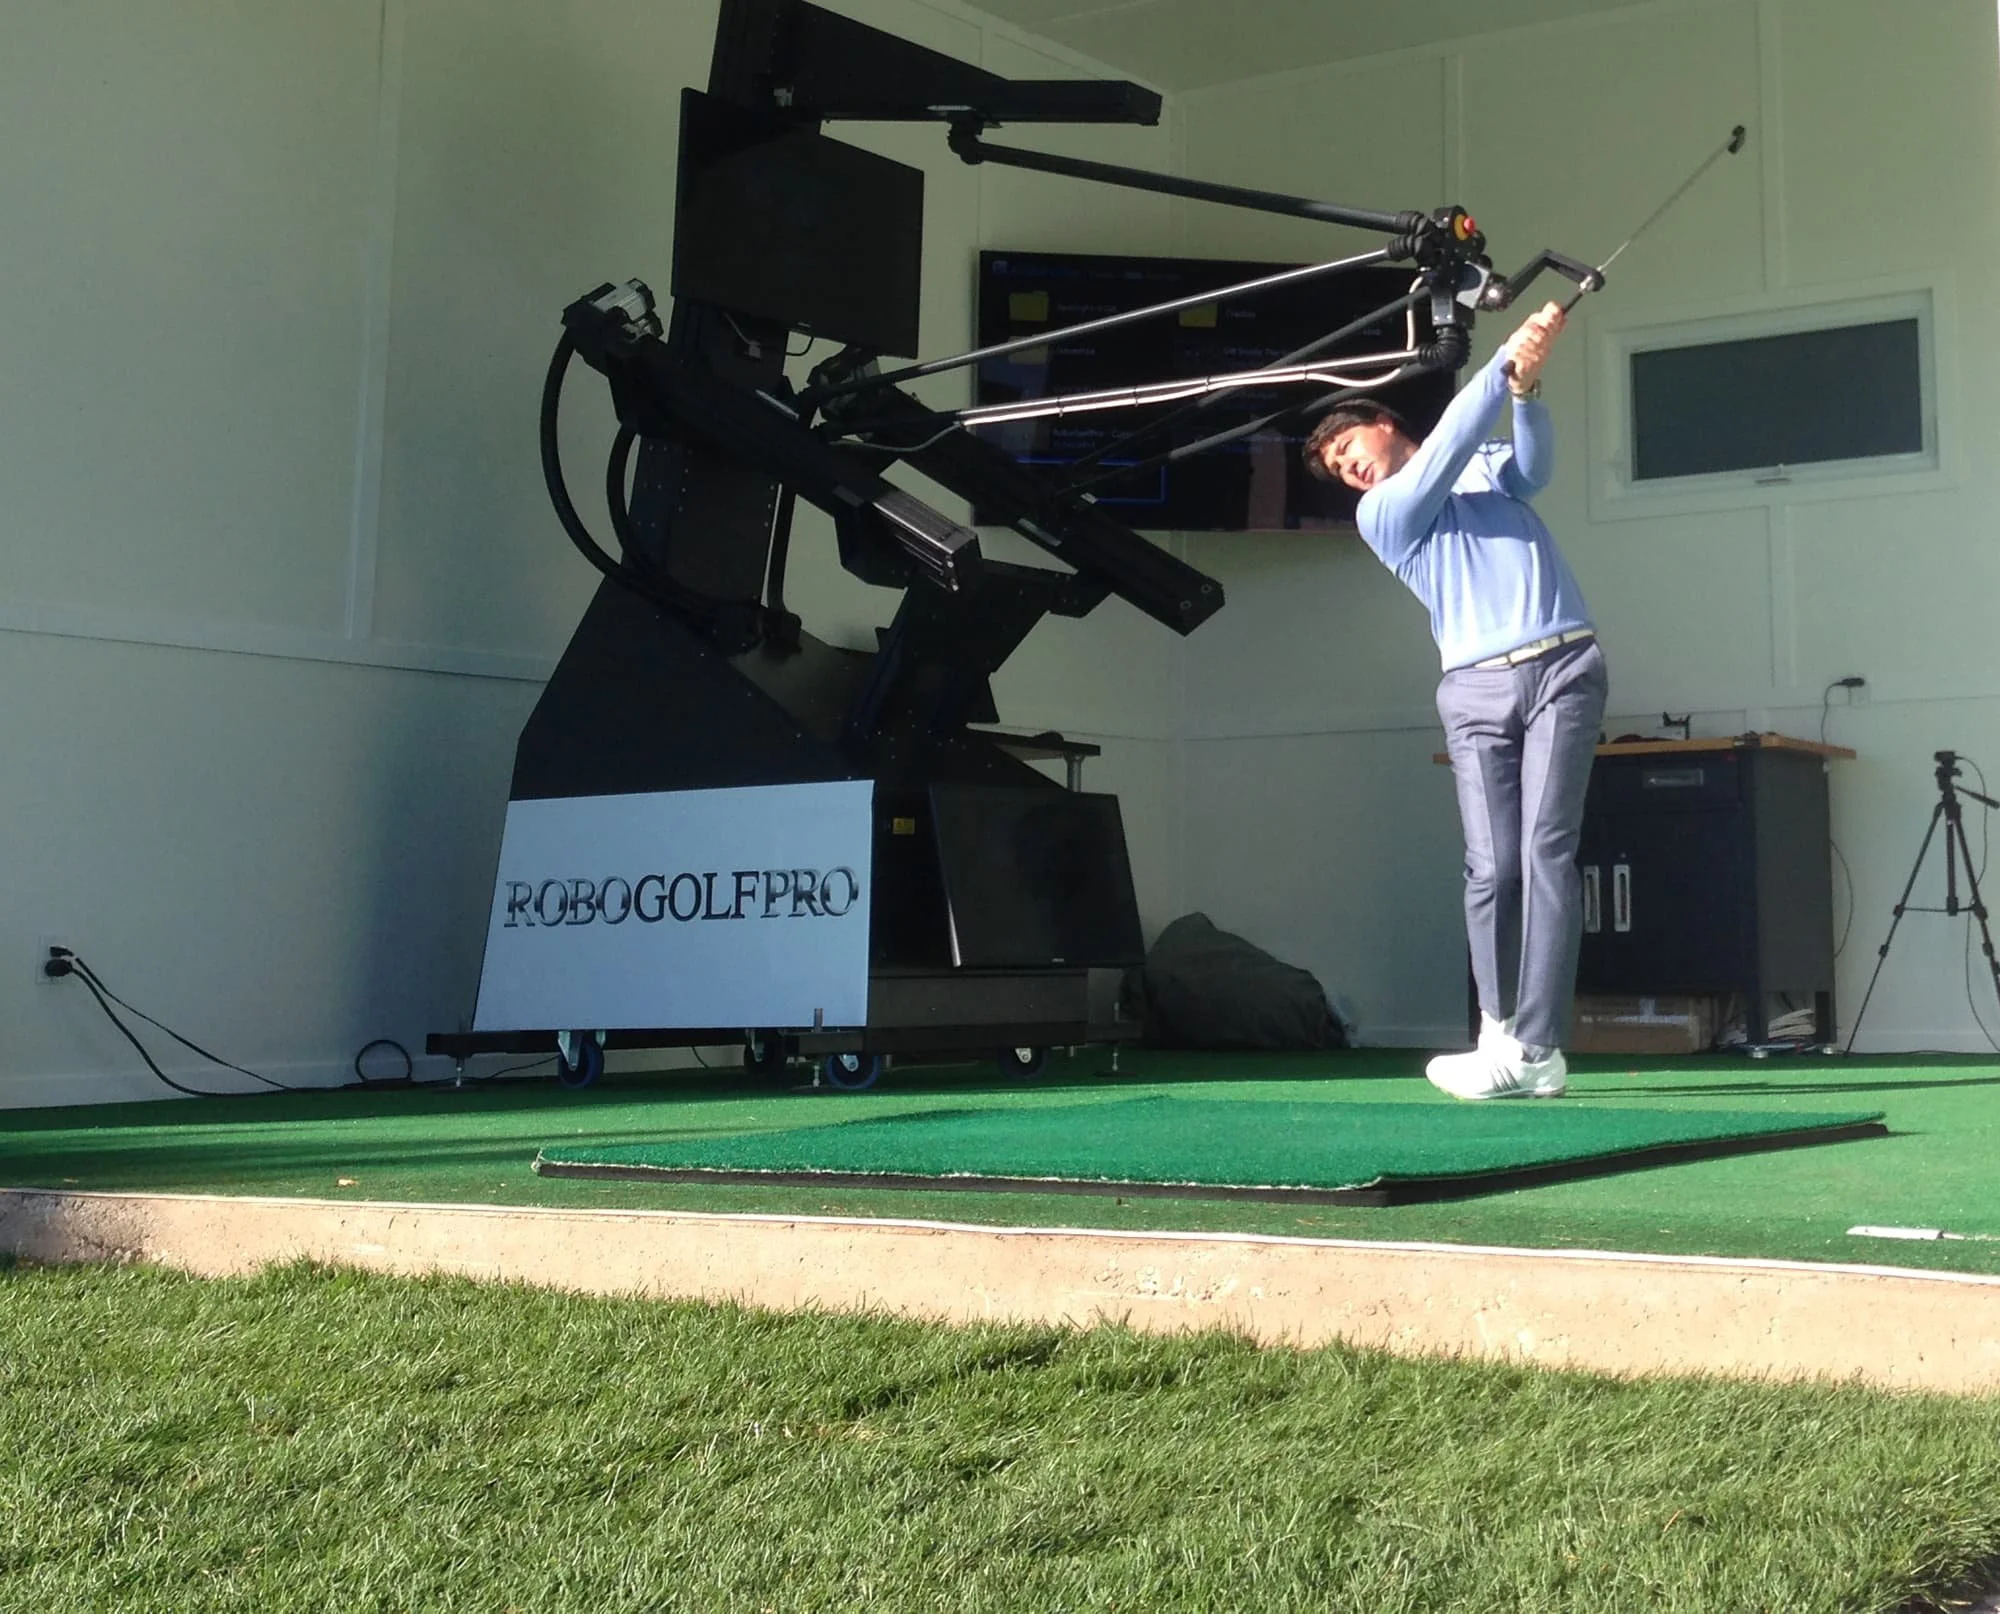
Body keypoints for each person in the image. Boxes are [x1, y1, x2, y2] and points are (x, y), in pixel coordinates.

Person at [1302, 303, 1607, 1100]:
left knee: (1546, 852)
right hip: (1473, 689)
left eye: (1348, 447)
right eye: (1337, 468)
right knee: (1492, 865)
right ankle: (1500, 1032)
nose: (1349, 468)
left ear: (1379, 420)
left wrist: (1529, 390)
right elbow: (1446, 448)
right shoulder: (1383, 514)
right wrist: (1507, 361)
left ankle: (1537, 1048)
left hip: (1564, 663)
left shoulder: (1480, 461)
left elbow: (1532, 472)